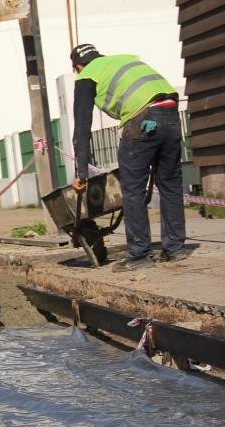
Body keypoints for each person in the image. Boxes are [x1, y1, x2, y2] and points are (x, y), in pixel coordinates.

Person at [69, 43, 186, 272]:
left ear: (78, 67)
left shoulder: (87, 75)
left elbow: (82, 127)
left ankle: (140, 254)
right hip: (171, 111)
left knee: (132, 188)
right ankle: (175, 249)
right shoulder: (122, 60)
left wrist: (81, 173)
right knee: (171, 184)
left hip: (142, 119)